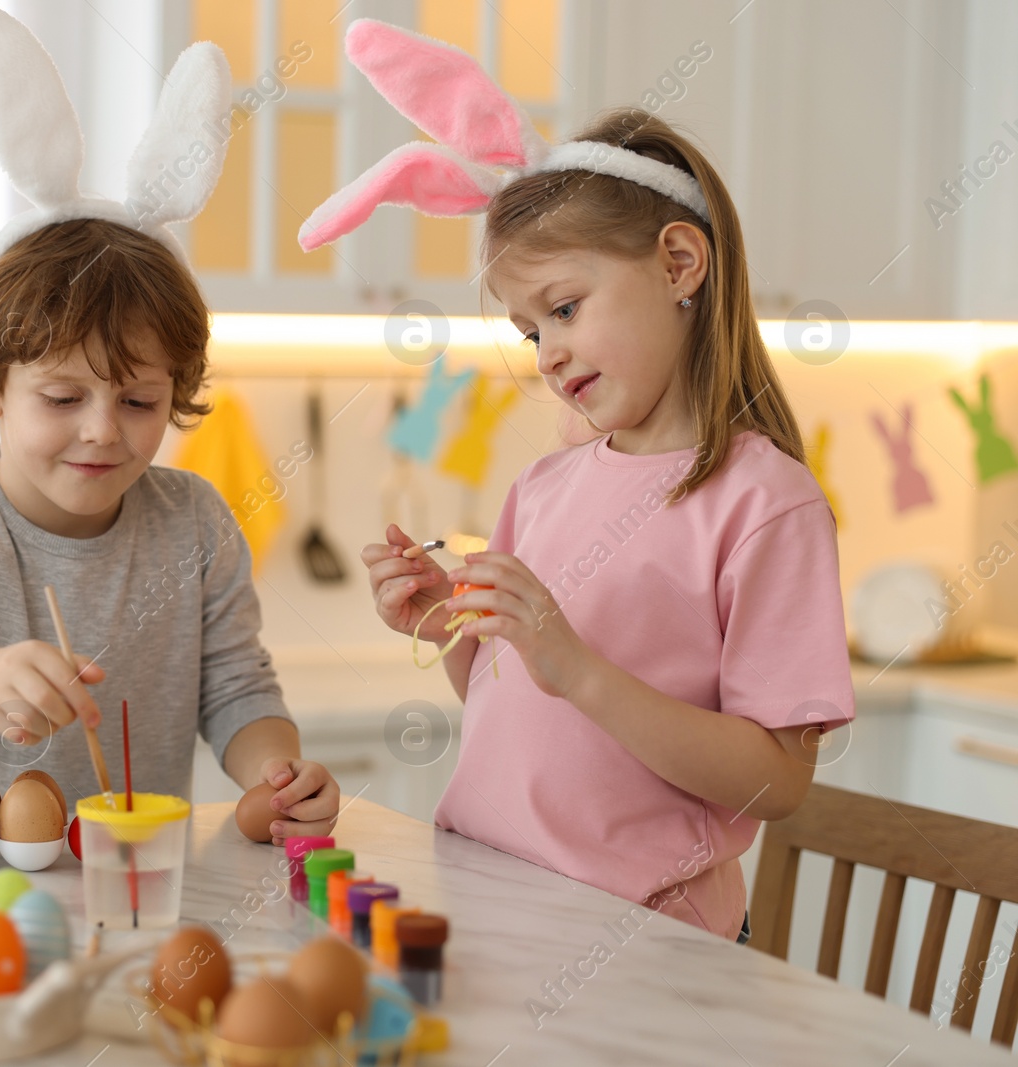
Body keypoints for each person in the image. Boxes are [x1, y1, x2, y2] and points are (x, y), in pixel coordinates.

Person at [307, 19, 854, 941]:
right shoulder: (546, 485)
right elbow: (510, 696)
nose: (547, 354)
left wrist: (579, 668)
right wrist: (450, 625)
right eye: (529, 330)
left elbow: (778, 777)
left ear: (680, 264)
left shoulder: (766, 504)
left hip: (638, 942)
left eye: (563, 307)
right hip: (492, 897)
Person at [0, 5, 339, 843]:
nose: (103, 430)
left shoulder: (195, 523)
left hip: (123, 883)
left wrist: (276, 771)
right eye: (62, 399)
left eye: (138, 401)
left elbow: (238, 689)